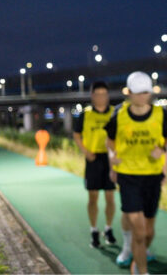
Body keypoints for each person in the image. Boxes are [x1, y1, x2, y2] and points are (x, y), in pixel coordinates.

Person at [104, 71, 167, 274]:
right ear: (128, 93)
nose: (141, 97)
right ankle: (139, 267)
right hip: (128, 175)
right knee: (139, 229)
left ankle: (138, 252)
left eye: (145, 92)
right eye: (137, 93)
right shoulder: (119, 115)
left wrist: (161, 150)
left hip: (152, 176)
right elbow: (109, 141)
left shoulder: (160, 114)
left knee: (148, 230)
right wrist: (112, 159)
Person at [72, 81, 117, 248]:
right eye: (97, 95)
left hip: (110, 159)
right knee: (93, 197)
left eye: (104, 95)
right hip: (93, 159)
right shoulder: (85, 114)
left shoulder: (114, 113)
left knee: (110, 196)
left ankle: (108, 228)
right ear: (92, 96)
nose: (101, 98)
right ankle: (94, 230)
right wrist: (85, 151)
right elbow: (76, 135)